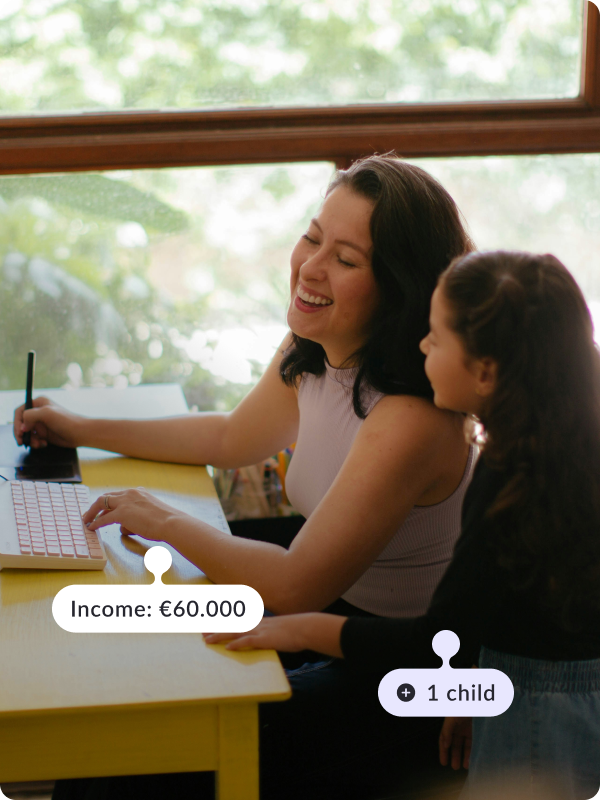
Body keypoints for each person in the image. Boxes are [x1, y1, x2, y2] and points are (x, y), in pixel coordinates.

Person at [19, 154, 477, 800]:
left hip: (405, 670)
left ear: (398, 287)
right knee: (133, 673)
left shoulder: (410, 418)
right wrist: (79, 427)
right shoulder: (317, 351)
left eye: (346, 260)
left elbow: (296, 585)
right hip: (333, 618)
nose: (311, 268)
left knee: (149, 744)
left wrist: (164, 520)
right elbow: (231, 437)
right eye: (313, 237)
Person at [205, 251, 600, 800]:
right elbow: (497, 607)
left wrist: (297, 627)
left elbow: (431, 639)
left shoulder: (512, 479)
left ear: (485, 371)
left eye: (436, 339)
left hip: (538, 716)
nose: (421, 347)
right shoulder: (560, 447)